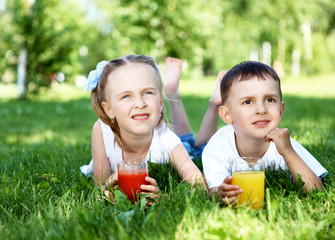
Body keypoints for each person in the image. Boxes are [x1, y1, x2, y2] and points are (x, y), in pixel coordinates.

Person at [80, 55, 207, 202]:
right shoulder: (102, 130)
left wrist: (165, 197)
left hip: (176, 145)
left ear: (160, 102)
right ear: (108, 109)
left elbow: (200, 187)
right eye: (126, 96)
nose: (140, 104)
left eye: (148, 93)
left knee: (193, 147)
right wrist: (108, 188)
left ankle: (182, 95)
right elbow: (100, 187)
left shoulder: (166, 139)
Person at [202, 61, 328, 205]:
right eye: (248, 102)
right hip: (204, 147)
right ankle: (213, 102)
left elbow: (317, 192)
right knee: (197, 145)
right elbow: (214, 189)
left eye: (270, 100)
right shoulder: (219, 145)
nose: (261, 109)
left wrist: (288, 153)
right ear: (227, 115)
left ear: (281, 110)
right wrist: (221, 193)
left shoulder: (286, 145)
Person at [164, 57, 226, 158]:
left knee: (187, 145)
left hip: (178, 151)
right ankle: (214, 104)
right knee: (201, 149)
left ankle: (173, 96)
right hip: (188, 153)